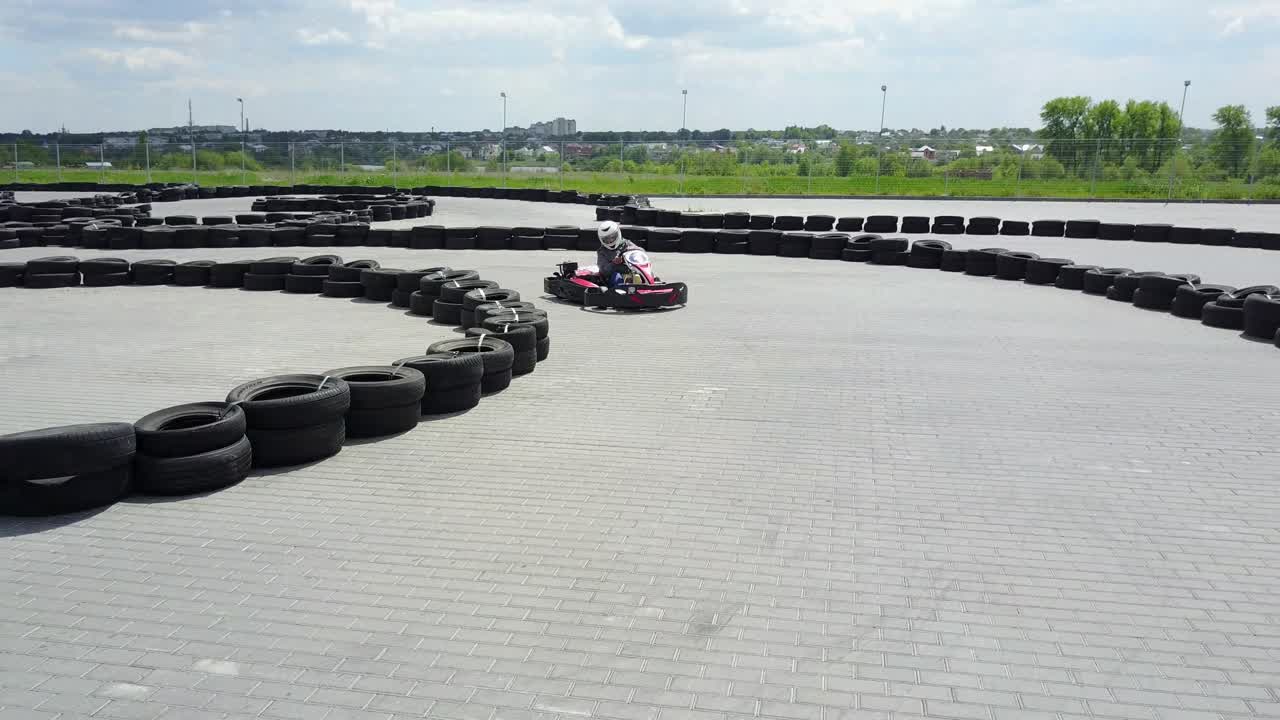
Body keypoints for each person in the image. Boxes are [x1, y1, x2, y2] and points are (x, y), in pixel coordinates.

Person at [595, 221, 640, 288]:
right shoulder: (602, 252)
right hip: (612, 278)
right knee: (617, 277)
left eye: (612, 237)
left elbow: (641, 252)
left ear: (618, 233)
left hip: (630, 272)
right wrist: (614, 263)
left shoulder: (626, 244)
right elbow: (603, 271)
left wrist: (630, 251)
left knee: (641, 274)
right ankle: (624, 289)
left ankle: (651, 285)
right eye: (606, 239)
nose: (610, 241)